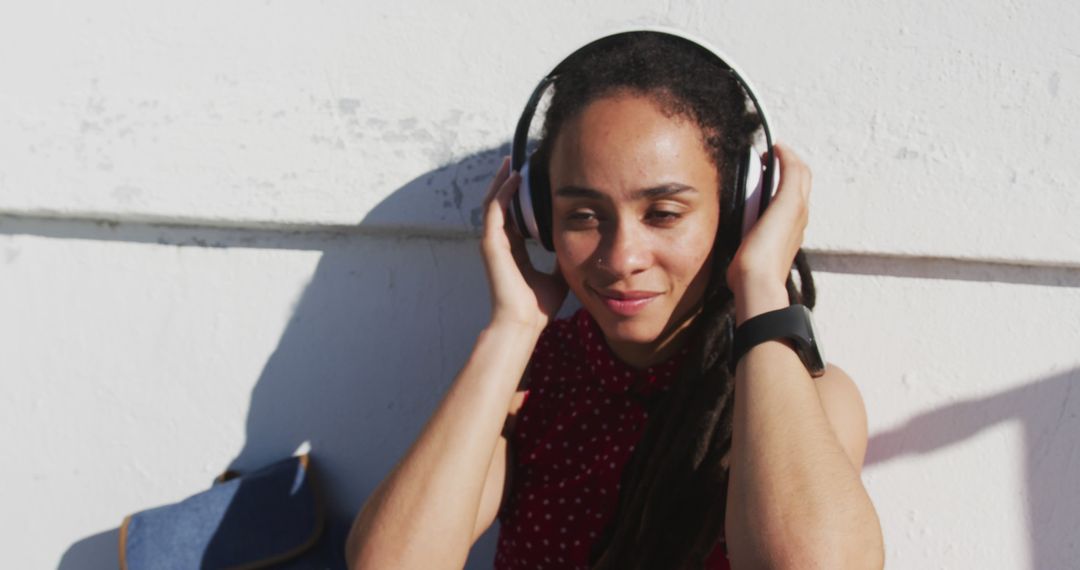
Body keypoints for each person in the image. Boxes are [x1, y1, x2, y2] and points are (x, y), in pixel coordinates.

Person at [345, 31, 884, 569]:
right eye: (582, 215)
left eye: (665, 214)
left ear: (737, 212)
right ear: (538, 218)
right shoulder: (529, 383)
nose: (622, 258)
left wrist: (762, 284)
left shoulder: (805, 399)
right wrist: (513, 326)